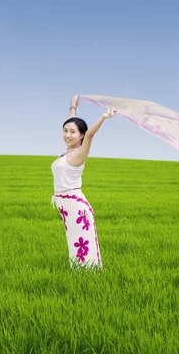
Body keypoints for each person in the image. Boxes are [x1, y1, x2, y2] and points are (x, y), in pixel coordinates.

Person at [51, 95, 116, 268]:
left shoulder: (79, 154)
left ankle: (90, 280)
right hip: (67, 208)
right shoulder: (68, 150)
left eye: (73, 132)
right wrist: (73, 106)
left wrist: (103, 117)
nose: (67, 134)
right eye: (65, 131)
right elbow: (70, 123)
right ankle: (80, 278)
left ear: (81, 136)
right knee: (75, 247)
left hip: (77, 209)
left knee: (83, 250)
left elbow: (90, 135)